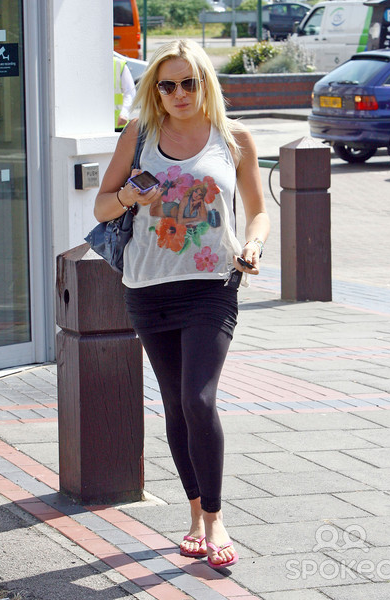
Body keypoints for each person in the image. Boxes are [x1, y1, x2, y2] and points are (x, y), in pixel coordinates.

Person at [94, 39, 270, 570]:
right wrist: (130, 196)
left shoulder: (233, 138)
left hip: (211, 286)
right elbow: (102, 207)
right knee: (174, 403)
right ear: (155, 90)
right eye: (166, 85)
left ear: (204, 83)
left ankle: (215, 518)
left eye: (188, 83)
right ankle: (194, 513)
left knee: (198, 398)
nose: (178, 94)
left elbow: (258, 211)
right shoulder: (139, 135)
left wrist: (253, 244)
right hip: (148, 288)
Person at [114, 55, 136, 131]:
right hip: (95, 124)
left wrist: (124, 113)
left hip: (119, 124)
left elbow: (130, 92)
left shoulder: (118, 64)